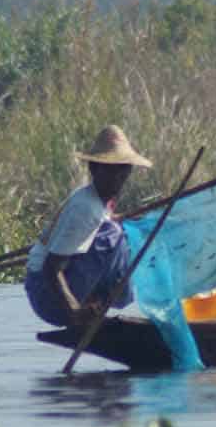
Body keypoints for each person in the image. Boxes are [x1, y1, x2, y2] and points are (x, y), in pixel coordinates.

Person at [24, 125, 152, 326]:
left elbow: (105, 221)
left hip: (57, 290)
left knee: (123, 232)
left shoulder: (98, 202)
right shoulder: (85, 208)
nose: (118, 175)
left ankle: (98, 304)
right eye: (111, 168)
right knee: (113, 234)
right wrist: (75, 311)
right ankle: (88, 307)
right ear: (94, 169)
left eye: (124, 168)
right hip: (47, 297)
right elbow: (51, 268)